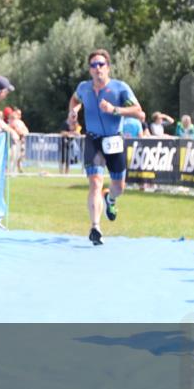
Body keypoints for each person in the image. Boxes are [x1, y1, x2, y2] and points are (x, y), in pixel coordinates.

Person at [68, 49, 143, 246]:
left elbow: (139, 113)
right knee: (95, 182)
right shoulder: (83, 88)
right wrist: (73, 111)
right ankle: (95, 227)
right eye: (93, 65)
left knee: (119, 187)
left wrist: (115, 110)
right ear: (89, 69)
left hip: (114, 141)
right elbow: (75, 99)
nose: (97, 68)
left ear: (108, 67)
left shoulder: (119, 88)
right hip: (93, 140)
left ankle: (110, 198)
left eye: (101, 64)